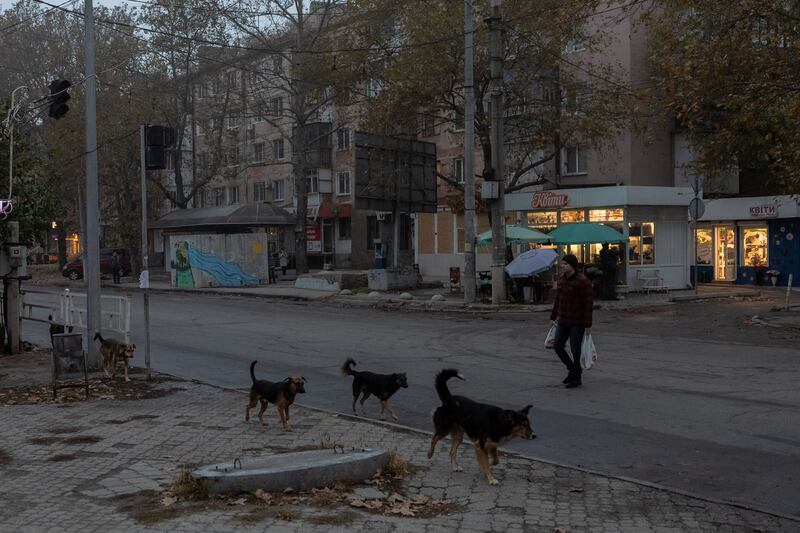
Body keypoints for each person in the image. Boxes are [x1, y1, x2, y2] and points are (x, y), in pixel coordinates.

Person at [550, 253, 593, 388]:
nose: (563, 266)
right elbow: (558, 299)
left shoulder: (583, 281)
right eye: (562, 264)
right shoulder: (562, 280)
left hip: (577, 322)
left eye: (566, 264)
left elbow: (588, 304)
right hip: (563, 320)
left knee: (576, 350)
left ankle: (577, 378)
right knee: (557, 346)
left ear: (573, 266)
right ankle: (572, 369)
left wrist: (588, 324)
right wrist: (553, 316)